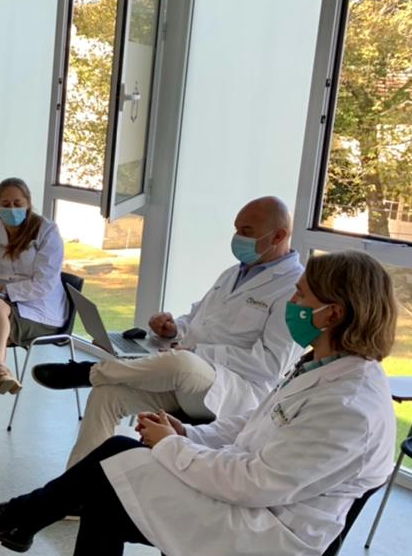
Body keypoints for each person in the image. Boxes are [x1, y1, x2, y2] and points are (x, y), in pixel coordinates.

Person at [0, 251, 396, 556]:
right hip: (252, 500)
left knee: (114, 473)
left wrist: (169, 448)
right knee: (113, 475)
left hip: (272, 535)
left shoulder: (349, 406)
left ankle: (27, 537)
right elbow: (247, 427)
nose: (292, 304)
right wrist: (186, 435)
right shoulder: (320, 368)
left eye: (301, 296)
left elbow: (256, 484)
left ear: (333, 314)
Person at [34, 196, 304, 466]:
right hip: (186, 381)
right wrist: (173, 329)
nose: (237, 237)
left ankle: (89, 372)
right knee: (106, 395)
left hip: (231, 391)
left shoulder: (292, 289)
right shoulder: (234, 273)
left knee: (183, 362)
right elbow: (198, 319)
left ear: (278, 236)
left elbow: (270, 364)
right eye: (236, 229)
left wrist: (199, 352)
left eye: (246, 231)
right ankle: (75, 485)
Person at [0, 178, 69, 435]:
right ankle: (0, 371)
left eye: (17, 203)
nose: (12, 209)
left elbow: (43, 285)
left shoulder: (47, 231)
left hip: (41, 312)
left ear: (28, 203)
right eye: (5, 204)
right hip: (5, 305)